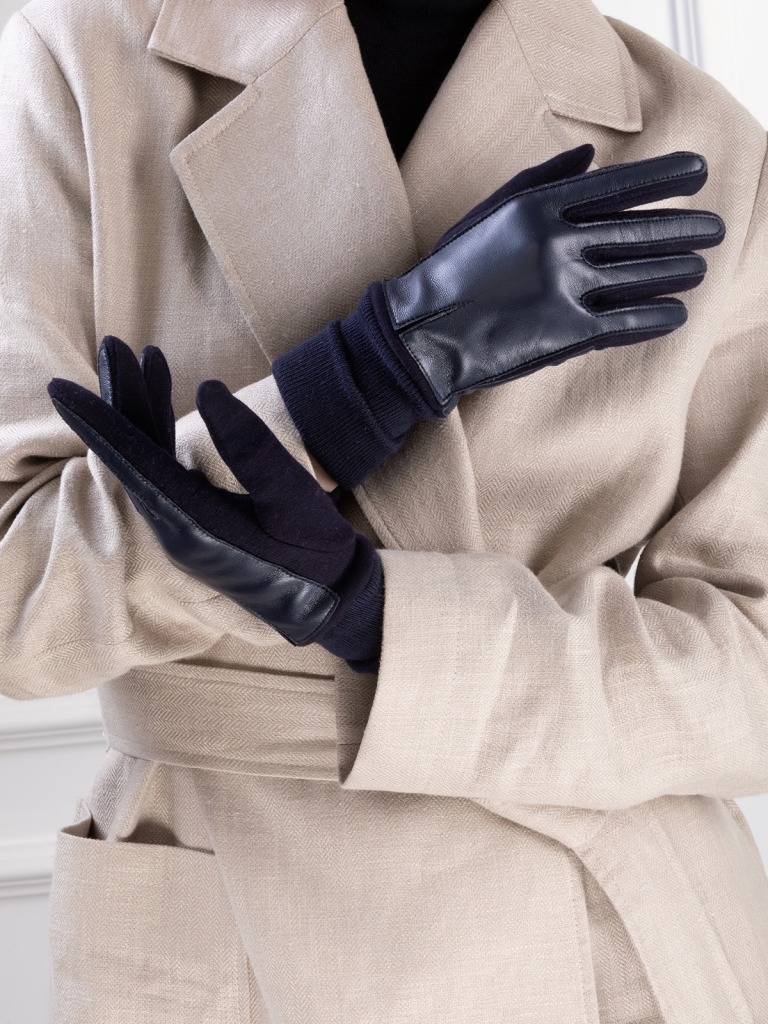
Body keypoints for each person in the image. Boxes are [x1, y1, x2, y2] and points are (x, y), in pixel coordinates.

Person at [2, 0, 768, 1021]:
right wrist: (359, 380)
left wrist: (386, 623)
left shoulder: (704, 141)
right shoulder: (81, 59)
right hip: (228, 903)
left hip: (606, 926)